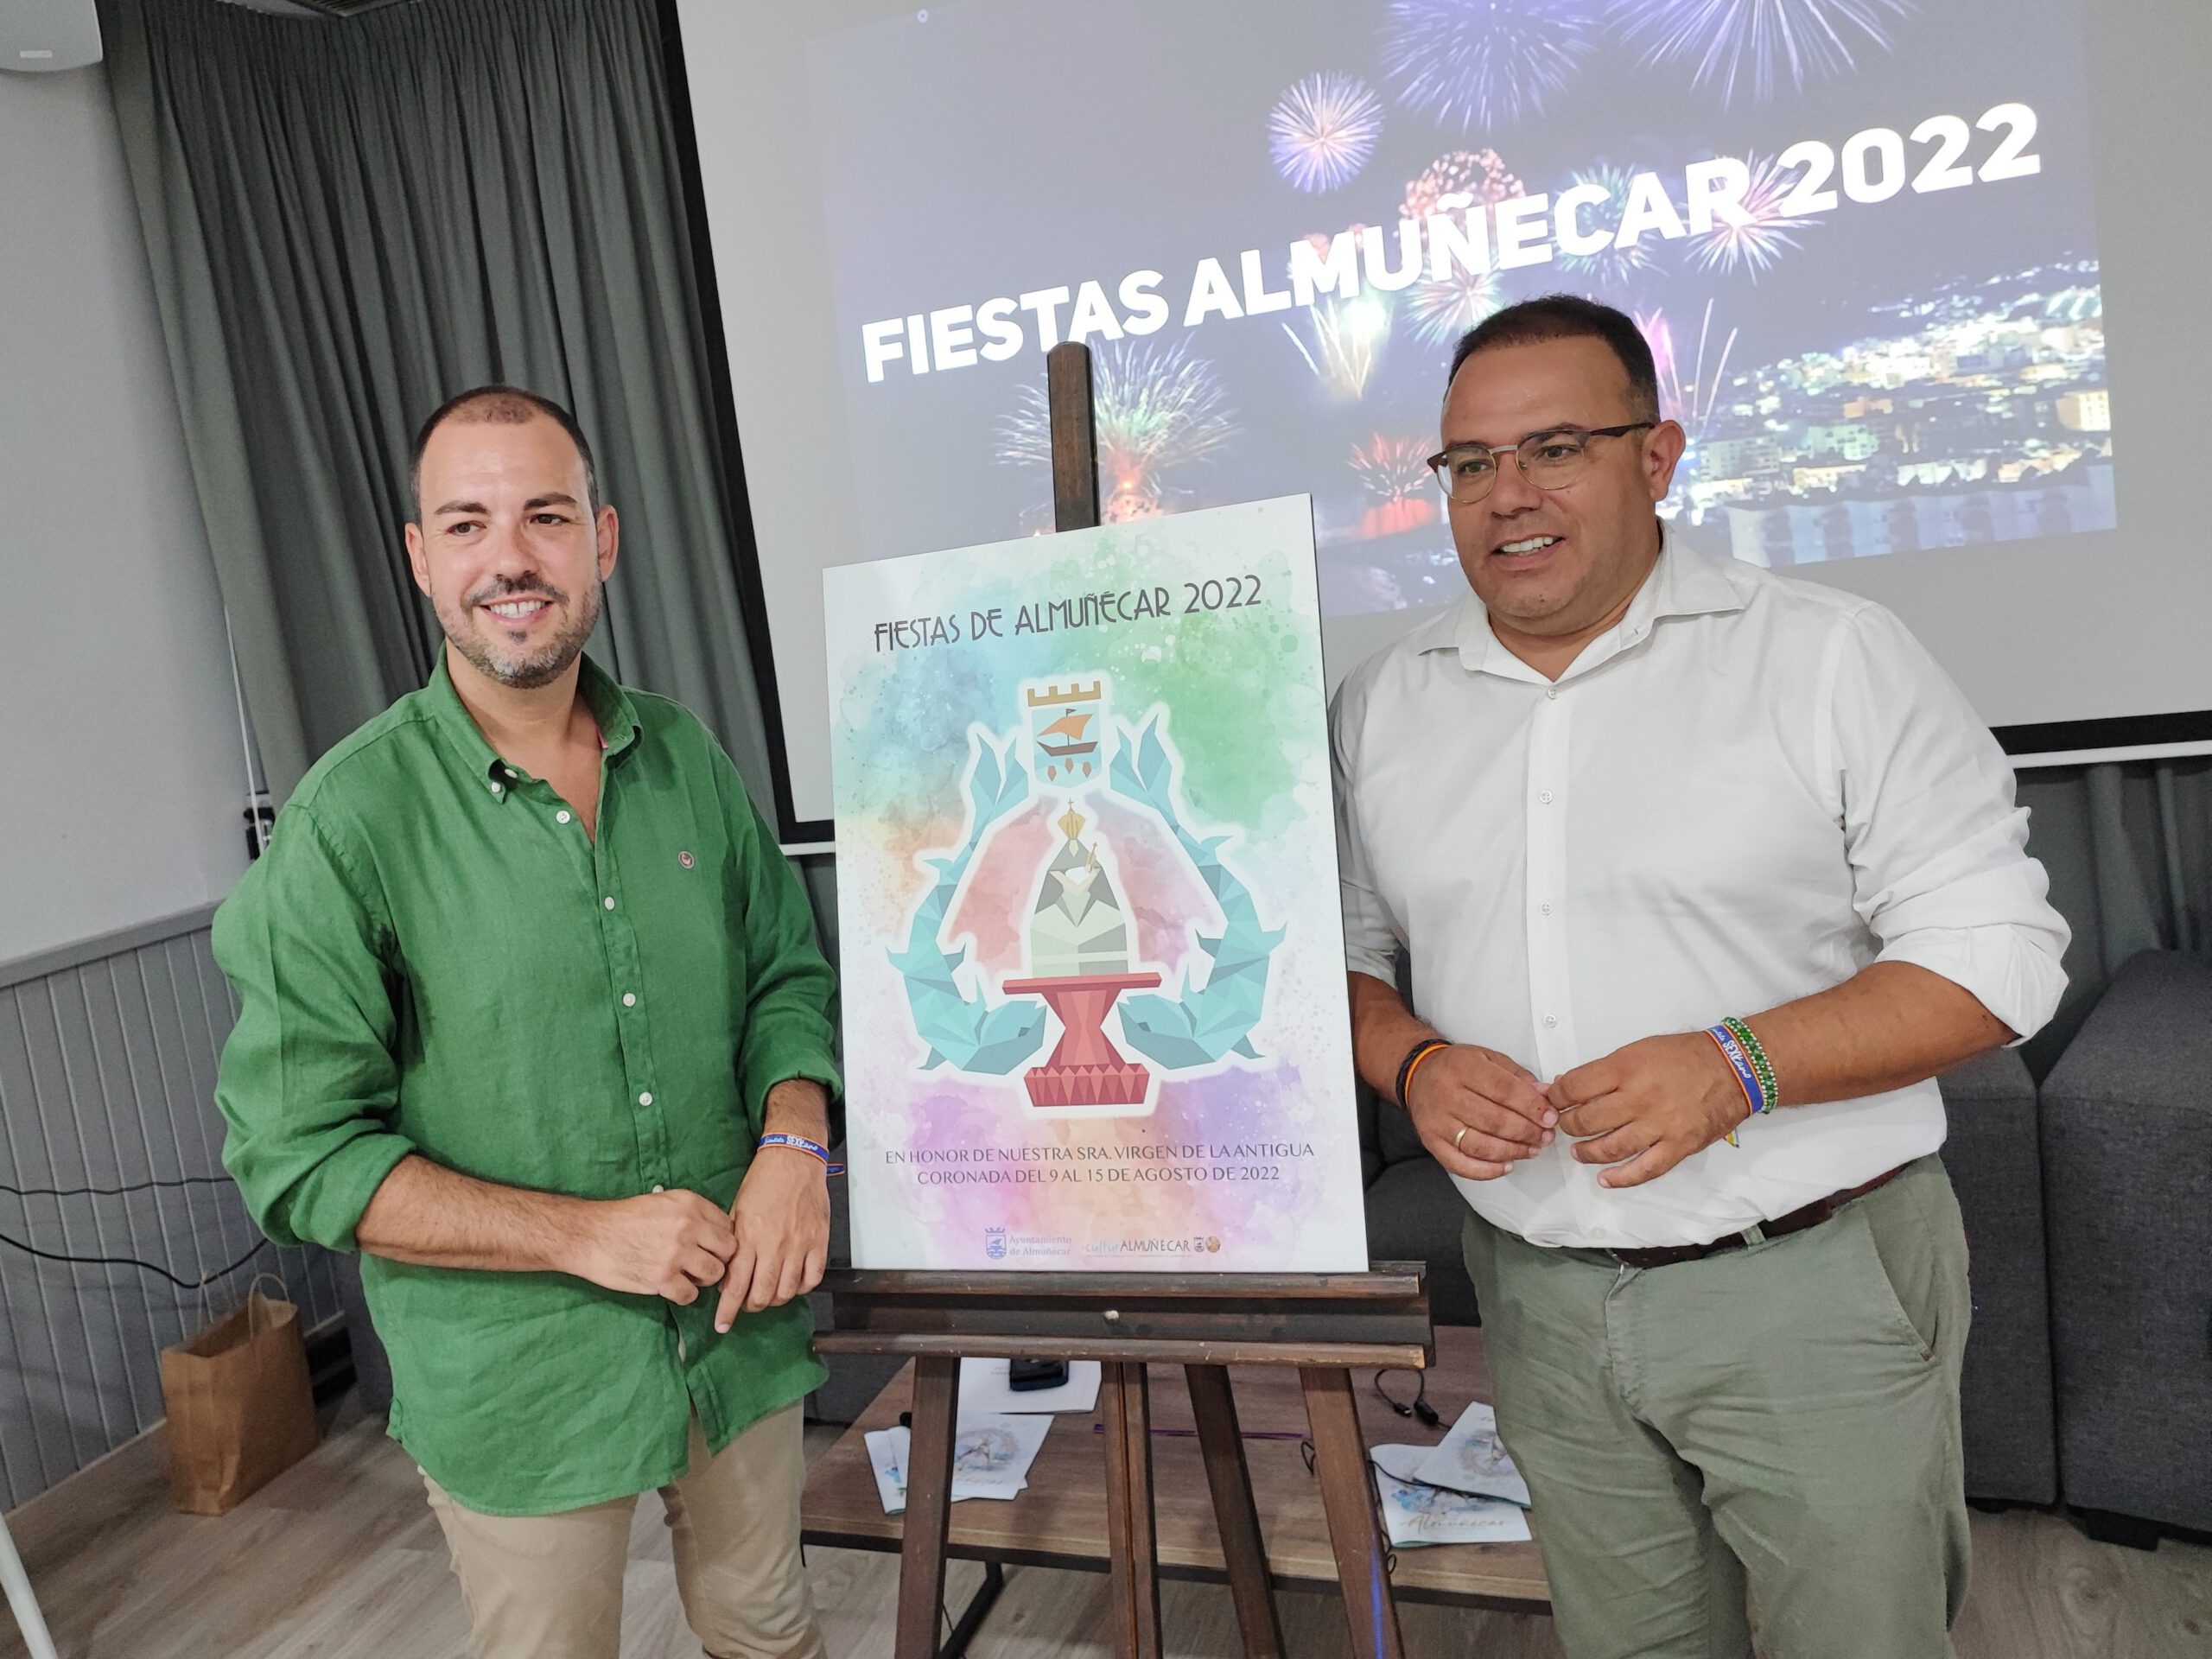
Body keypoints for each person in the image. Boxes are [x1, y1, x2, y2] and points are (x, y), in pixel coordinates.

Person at [1332, 296, 2069, 1659]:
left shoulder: (1828, 655)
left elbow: (1999, 956)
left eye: (1556, 448)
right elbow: (1336, 959)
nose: (1509, 494)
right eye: (1472, 462)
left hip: (1809, 1277)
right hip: (1537, 1289)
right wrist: (1413, 1065)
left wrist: (1740, 1067)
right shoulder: (1386, 703)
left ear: (1657, 456)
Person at [213, 386, 839, 1659]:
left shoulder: (688, 759)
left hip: (737, 1328)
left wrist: (795, 1140)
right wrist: (583, 1235)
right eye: (468, 524)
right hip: (521, 1382)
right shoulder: (347, 825)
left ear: (601, 539)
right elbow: (301, 1157)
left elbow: (786, 974)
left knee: (769, 1625)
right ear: (420, 557)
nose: (510, 558)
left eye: (545, 517)